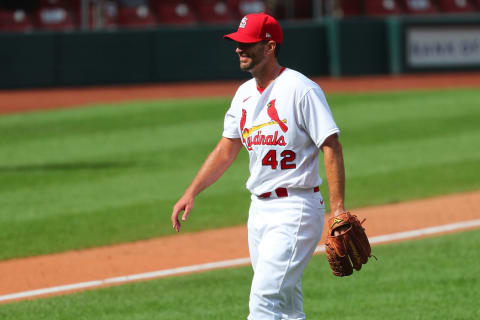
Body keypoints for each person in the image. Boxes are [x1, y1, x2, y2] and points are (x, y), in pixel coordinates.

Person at [171, 12, 346, 320]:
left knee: (263, 300)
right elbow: (227, 149)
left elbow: (330, 145)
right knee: (287, 306)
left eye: (247, 43)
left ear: (269, 47)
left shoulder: (301, 89)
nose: (239, 49)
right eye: (238, 43)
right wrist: (192, 191)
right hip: (259, 211)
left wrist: (338, 208)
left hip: (297, 208)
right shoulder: (243, 95)